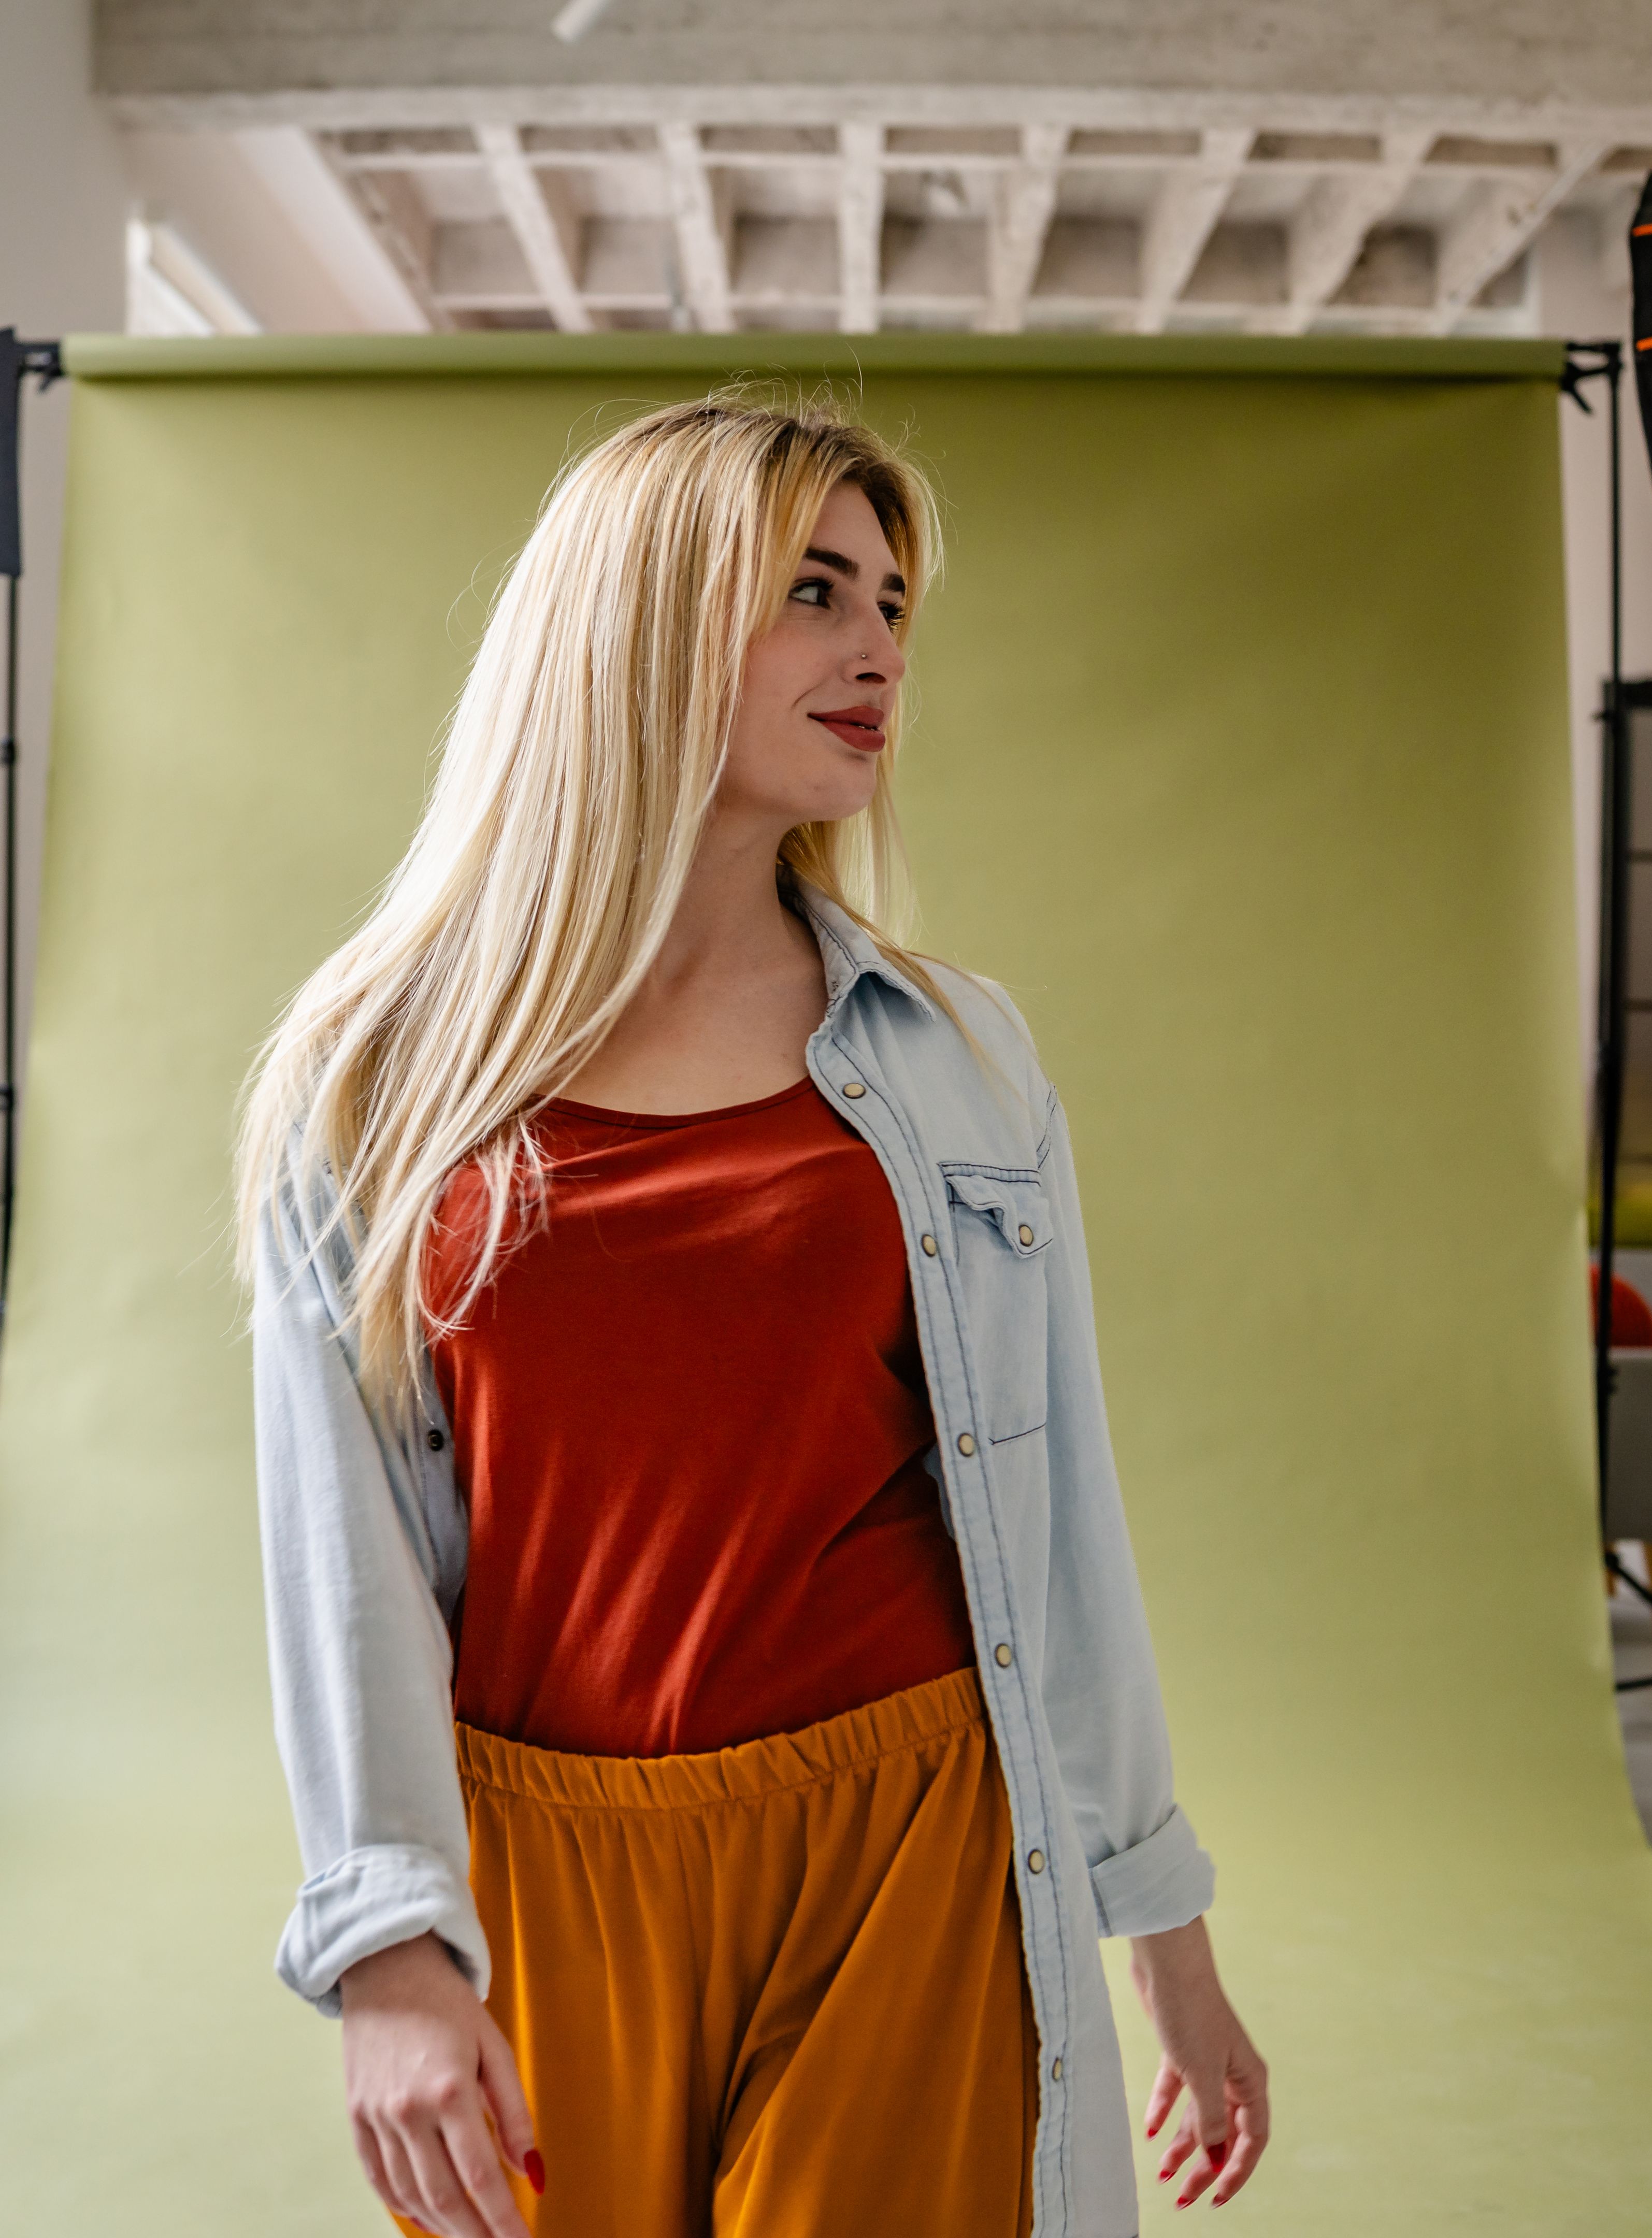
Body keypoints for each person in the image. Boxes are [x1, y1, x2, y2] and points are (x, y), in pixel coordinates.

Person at [238, 394, 1268, 2238]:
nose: (876, 647)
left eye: (891, 605)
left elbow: (1060, 1525)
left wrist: (1161, 1932)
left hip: (904, 1838)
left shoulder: (958, 1063)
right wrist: (388, 1945)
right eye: (812, 591)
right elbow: (345, 1550)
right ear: (640, 622)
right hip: (545, 1868)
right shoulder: (370, 1077)